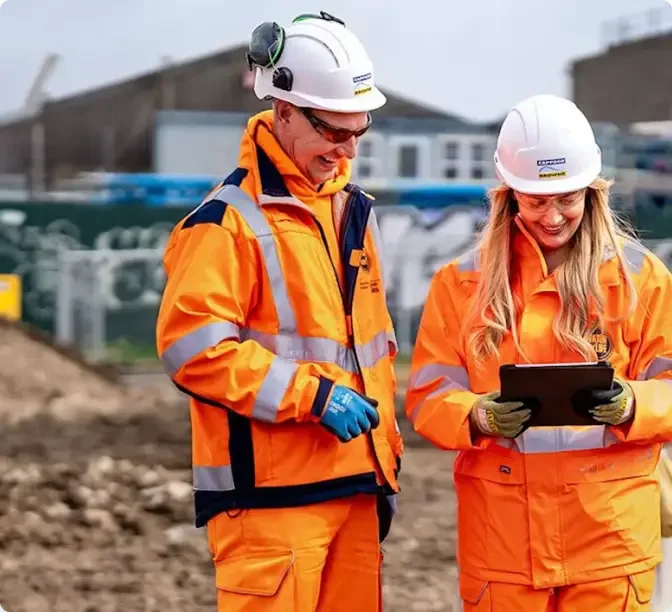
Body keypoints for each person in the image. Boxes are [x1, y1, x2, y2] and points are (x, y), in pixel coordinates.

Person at [155, 10, 402, 612]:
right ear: (283, 112)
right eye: (332, 132)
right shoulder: (225, 223)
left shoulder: (350, 212)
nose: (346, 150)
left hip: (358, 488)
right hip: (272, 503)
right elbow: (193, 350)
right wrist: (313, 396)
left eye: (357, 132)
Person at [405, 93, 672, 611]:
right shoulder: (462, 283)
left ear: (593, 192)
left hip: (609, 546)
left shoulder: (642, 280)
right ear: (508, 195)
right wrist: (476, 416)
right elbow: (428, 395)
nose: (552, 217)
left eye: (567, 199)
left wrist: (635, 404)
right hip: (502, 548)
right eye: (535, 200)